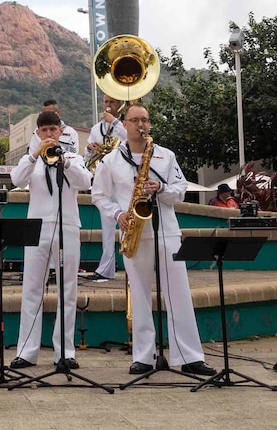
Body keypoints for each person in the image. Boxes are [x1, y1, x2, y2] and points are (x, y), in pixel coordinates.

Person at [92, 102, 215, 377]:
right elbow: (98, 196)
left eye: (145, 120)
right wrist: (118, 214)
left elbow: (180, 190)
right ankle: (143, 357)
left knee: (179, 294)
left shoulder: (165, 156)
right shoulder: (111, 161)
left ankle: (189, 356)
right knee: (140, 296)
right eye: (135, 120)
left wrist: (161, 188)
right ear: (124, 124)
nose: (141, 125)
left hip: (167, 230)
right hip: (134, 231)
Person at [10, 111, 92, 369]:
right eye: (44, 130)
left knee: (68, 290)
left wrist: (64, 162)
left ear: (60, 132)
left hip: (67, 225)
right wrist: (35, 155)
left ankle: (65, 353)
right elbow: (16, 179)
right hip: (37, 227)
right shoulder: (30, 160)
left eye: (52, 130)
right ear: (37, 133)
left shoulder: (73, 158)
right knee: (32, 289)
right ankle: (26, 351)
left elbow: (86, 182)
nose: (48, 134)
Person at [83, 97, 130, 280]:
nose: (108, 105)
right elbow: (87, 154)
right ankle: (106, 269)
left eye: (112, 102)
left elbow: (130, 139)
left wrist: (116, 122)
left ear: (120, 105)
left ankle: (131, 267)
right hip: (104, 177)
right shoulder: (96, 129)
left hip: (123, 178)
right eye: (105, 102)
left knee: (127, 224)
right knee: (107, 228)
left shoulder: (123, 125)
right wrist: (90, 147)